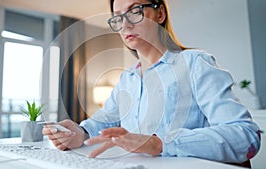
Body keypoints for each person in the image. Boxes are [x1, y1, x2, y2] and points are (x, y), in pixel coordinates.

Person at [43, 0, 261, 166]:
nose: (125, 25)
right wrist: (79, 132)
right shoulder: (127, 79)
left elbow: (245, 135)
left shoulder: (195, 63)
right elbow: (103, 122)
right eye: (118, 18)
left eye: (135, 11)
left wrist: (160, 143)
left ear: (160, 13)